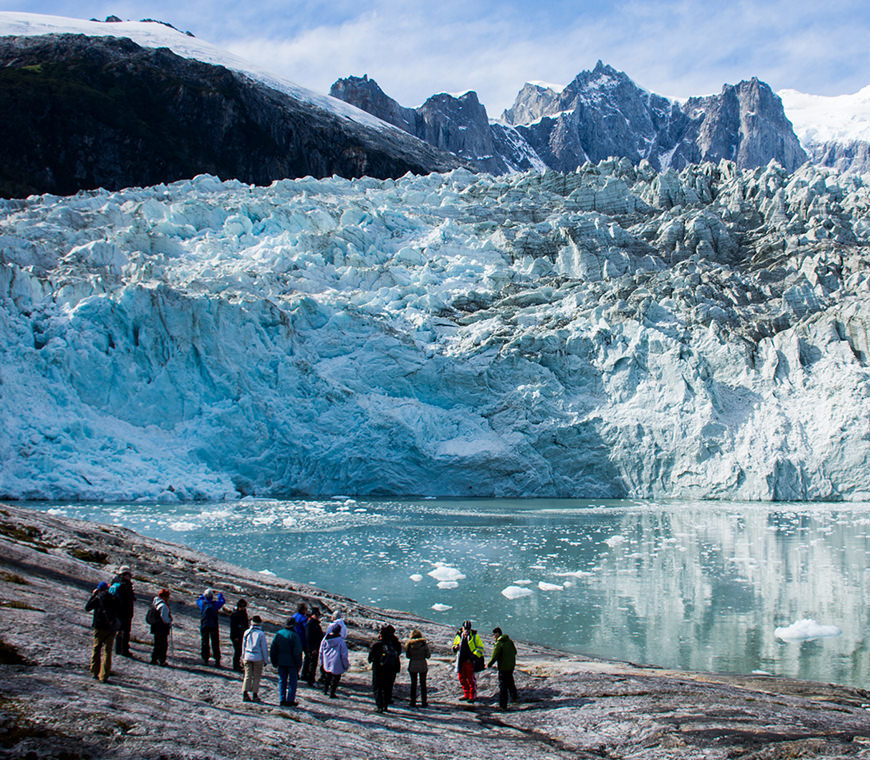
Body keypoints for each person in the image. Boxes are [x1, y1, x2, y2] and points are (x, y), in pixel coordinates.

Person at [85, 581, 119, 683]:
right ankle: (104, 675)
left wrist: (93, 595)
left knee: (97, 648)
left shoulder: (98, 598)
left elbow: (87, 608)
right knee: (107, 652)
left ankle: (94, 671)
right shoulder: (114, 598)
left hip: (99, 627)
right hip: (111, 628)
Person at [368, 624, 402, 713]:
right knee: (388, 686)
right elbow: (399, 652)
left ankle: (379, 705)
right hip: (391, 667)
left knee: (378, 686)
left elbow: (370, 657)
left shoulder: (377, 644)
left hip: (378, 667)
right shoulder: (394, 642)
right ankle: (386, 705)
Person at [270, 618, 303, 707]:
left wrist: (274, 661)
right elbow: (297, 652)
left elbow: (273, 649)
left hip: (281, 661)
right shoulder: (294, 636)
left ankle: (282, 699)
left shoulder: (279, 634)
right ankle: (290, 700)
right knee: (292, 682)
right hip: (292, 663)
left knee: (282, 681)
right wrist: (299, 664)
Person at [452, 620, 484, 703]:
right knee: (462, 678)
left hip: (469, 661)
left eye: (468, 629)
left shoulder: (474, 636)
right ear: (462, 628)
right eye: (465, 628)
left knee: (470, 679)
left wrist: (473, 656)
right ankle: (466, 694)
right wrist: (455, 648)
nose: (466, 630)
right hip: (461, 660)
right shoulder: (459, 636)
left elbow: (480, 647)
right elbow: (454, 644)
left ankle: (472, 695)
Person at [488, 627, 518, 710]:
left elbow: (494, 656)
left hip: (503, 667)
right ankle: (514, 698)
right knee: (510, 682)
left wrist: (489, 665)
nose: (493, 637)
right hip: (511, 666)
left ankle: (503, 705)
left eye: (494, 635)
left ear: (497, 634)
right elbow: (515, 652)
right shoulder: (509, 641)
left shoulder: (499, 643)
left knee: (503, 686)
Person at [318, 621, 349, 698]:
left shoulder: (325, 639)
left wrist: (322, 661)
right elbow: (344, 655)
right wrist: (346, 665)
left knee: (327, 676)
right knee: (335, 678)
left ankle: (325, 690)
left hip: (327, 661)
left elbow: (321, 650)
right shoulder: (341, 641)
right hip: (337, 662)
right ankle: (332, 693)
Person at [110, 566, 136, 658]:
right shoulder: (125, 584)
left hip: (116, 610)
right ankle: (124, 650)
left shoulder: (114, 581)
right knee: (125, 631)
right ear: (125, 574)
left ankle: (117, 648)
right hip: (125, 611)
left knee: (119, 630)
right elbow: (127, 599)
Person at [242, 615, 269, 703]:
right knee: (256, 676)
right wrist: (265, 660)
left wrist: (243, 656)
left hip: (247, 656)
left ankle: (245, 693)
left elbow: (244, 645)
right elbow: (263, 648)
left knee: (247, 675)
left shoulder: (247, 632)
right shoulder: (261, 634)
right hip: (257, 657)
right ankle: (254, 694)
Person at [197, 588, 225, 666]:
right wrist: (219, 594)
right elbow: (222, 601)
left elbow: (199, 599)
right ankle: (217, 659)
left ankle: (205, 658)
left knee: (205, 642)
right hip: (213, 626)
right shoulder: (215, 605)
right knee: (215, 643)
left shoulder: (202, 604)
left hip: (204, 625)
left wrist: (203, 595)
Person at [405, 629, 431, 708]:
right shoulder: (423, 644)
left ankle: (413, 701)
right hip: (422, 665)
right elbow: (428, 656)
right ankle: (424, 701)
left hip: (413, 664)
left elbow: (408, 656)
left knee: (413, 684)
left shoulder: (409, 644)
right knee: (423, 684)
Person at [148, 589, 172, 666]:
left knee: (157, 644)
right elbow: (164, 618)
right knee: (163, 645)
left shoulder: (155, 602)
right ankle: (162, 660)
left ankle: (154, 659)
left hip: (155, 626)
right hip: (162, 628)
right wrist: (169, 621)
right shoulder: (163, 606)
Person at [303, 607, 324, 686]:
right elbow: (308, 637)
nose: (318, 616)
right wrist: (312, 648)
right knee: (312, 664)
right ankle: (310, 680)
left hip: (315, 647)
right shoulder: (311, 624)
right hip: (312, 648)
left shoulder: (314, 623)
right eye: (317, 614)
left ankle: (308, 677)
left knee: (312, 663)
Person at [229, 599, 249, 672]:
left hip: (242, 634)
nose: (243, 608)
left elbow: (246, 624)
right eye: (242, 606)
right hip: (236, 636)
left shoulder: (244, 613)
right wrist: (235, 636)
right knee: (237, 651)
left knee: (240, 650)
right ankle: (235, 665)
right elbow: (233, 626)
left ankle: (238, 664)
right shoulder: (235, 614)